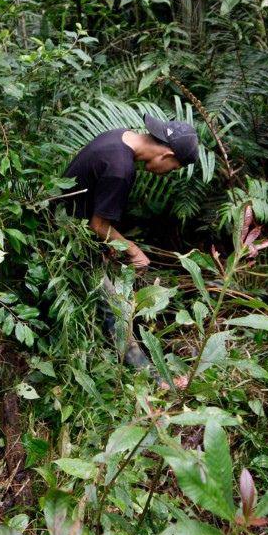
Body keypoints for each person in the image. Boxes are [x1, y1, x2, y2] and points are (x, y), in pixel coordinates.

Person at [64, 114, 199, 365]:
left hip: (68, 226)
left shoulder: (118, 136)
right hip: (67, 241)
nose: (168, 173)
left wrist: (109, 245)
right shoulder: (121, 170)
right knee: (116, 312)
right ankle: (148, 375)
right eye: (174, 168)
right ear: (167, 155)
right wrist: (133, 250)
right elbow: (98, 225)